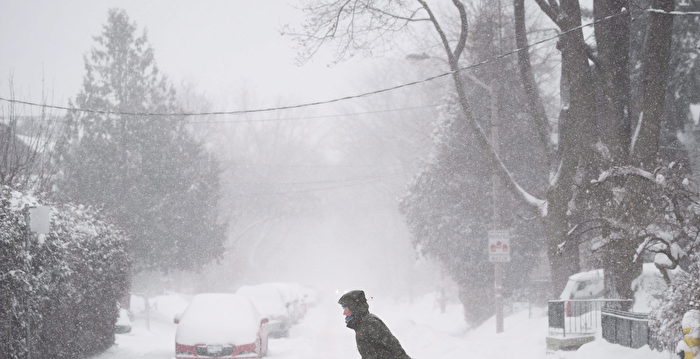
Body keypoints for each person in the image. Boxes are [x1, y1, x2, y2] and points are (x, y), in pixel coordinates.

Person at [338, 290, 411, 359]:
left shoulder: (370, 323)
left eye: (345, 308)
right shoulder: (360, 325)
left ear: (354, 307)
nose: (344, 313)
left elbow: (394, 347)